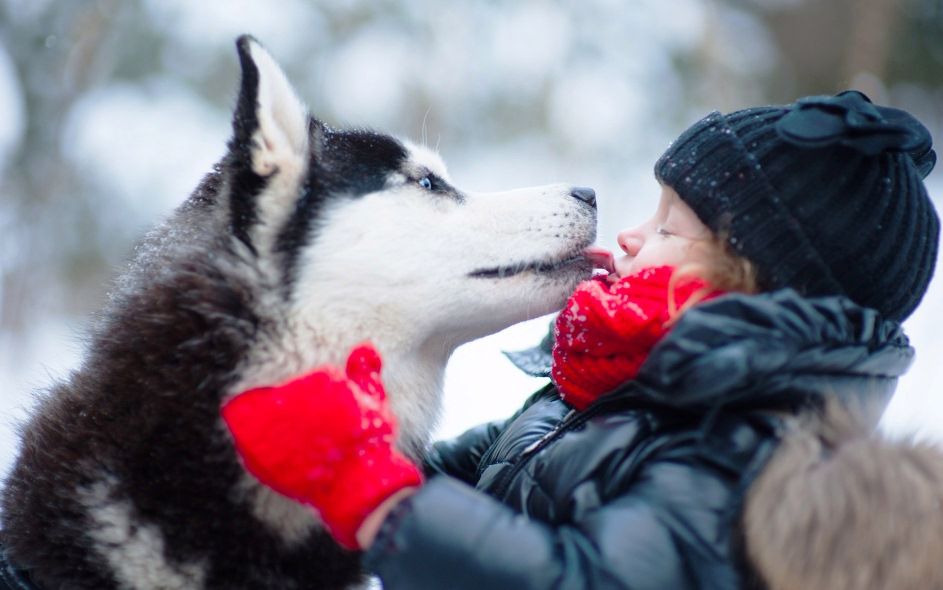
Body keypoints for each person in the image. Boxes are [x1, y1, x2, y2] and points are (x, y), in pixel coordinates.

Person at [221, 90, 939, 589]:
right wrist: (358, 446)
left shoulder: (743, 449)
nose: (629, 232)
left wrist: (375, 498)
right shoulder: (617, 388)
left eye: (667, 228)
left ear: (746, 277)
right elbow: (469, 489)